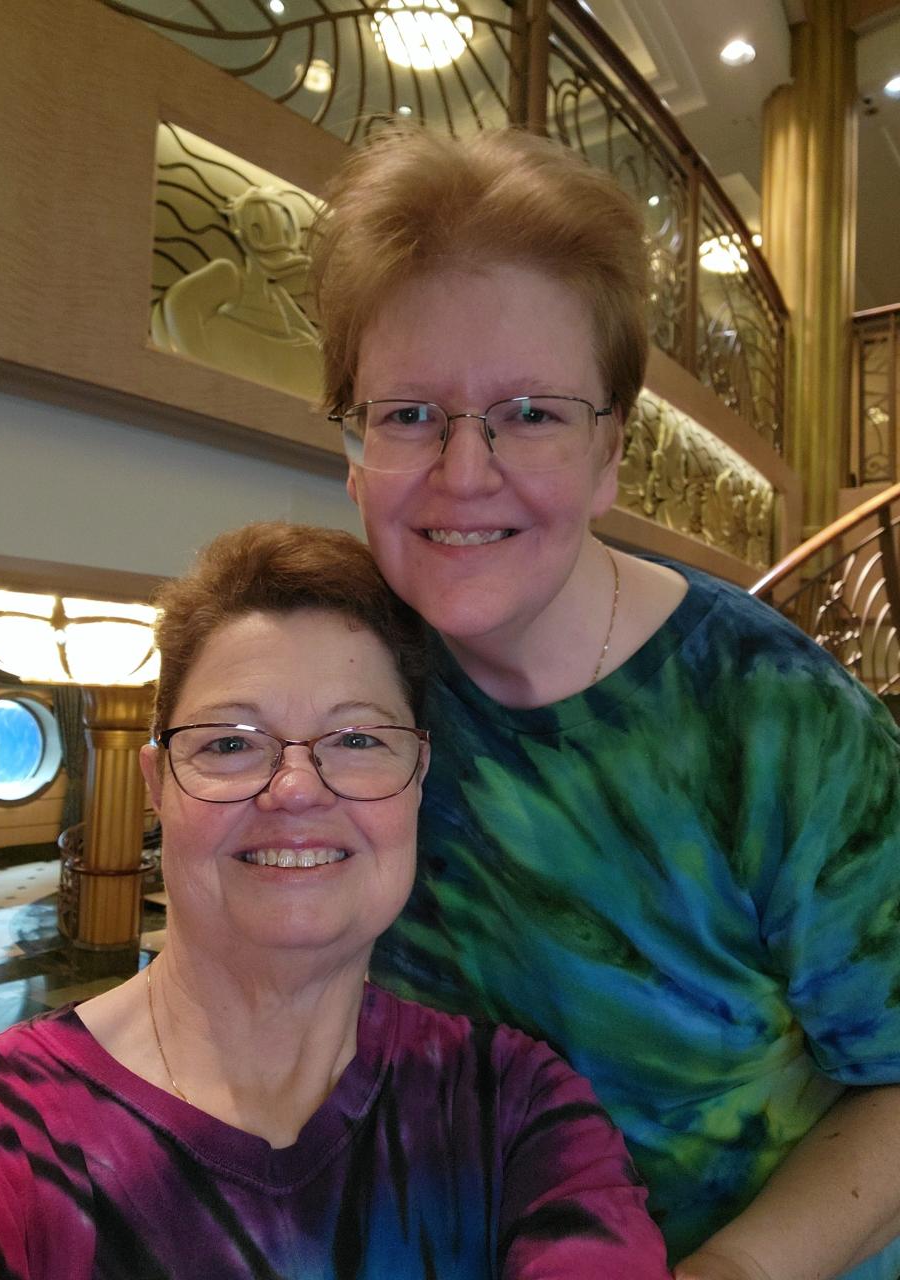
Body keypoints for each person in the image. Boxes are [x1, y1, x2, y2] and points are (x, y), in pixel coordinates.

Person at [311, 127, 900, 1280]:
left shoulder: (774, 718)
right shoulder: (352, 689)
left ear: (610, 453)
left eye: (530, 411)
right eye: (409, 413)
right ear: (354, 450)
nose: (463, 471)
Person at [0, 522, 670, 1279]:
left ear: (419, 777)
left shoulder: (511, 1108)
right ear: (158, 788)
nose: (294, 789)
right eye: (230, 743)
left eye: (356, 740)